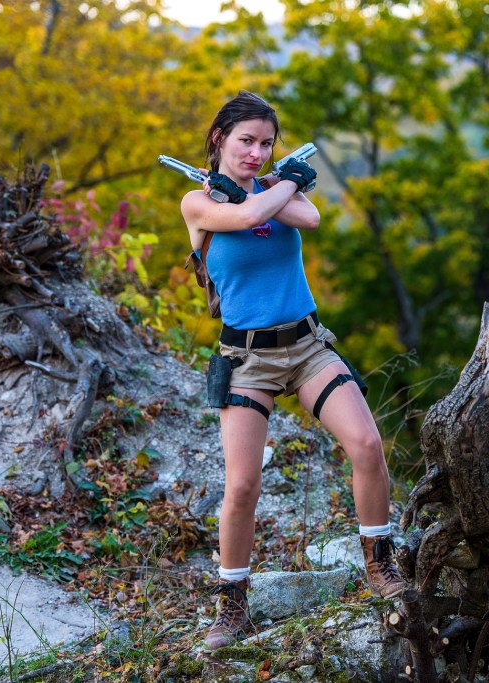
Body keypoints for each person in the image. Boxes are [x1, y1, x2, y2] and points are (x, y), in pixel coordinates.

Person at [179, 91, 405, 651]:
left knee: (367, 445)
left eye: (266, 143)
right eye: (246, 141)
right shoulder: (198, 202)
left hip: (307, 346)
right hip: (245, 359)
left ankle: (380, 566)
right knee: (243, 485)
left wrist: (274, 183)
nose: (256, 153)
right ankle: (231, 606)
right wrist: (279, 183)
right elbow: (248, 217)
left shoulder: (269, 188)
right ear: (219, 139)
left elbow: (311, 216)